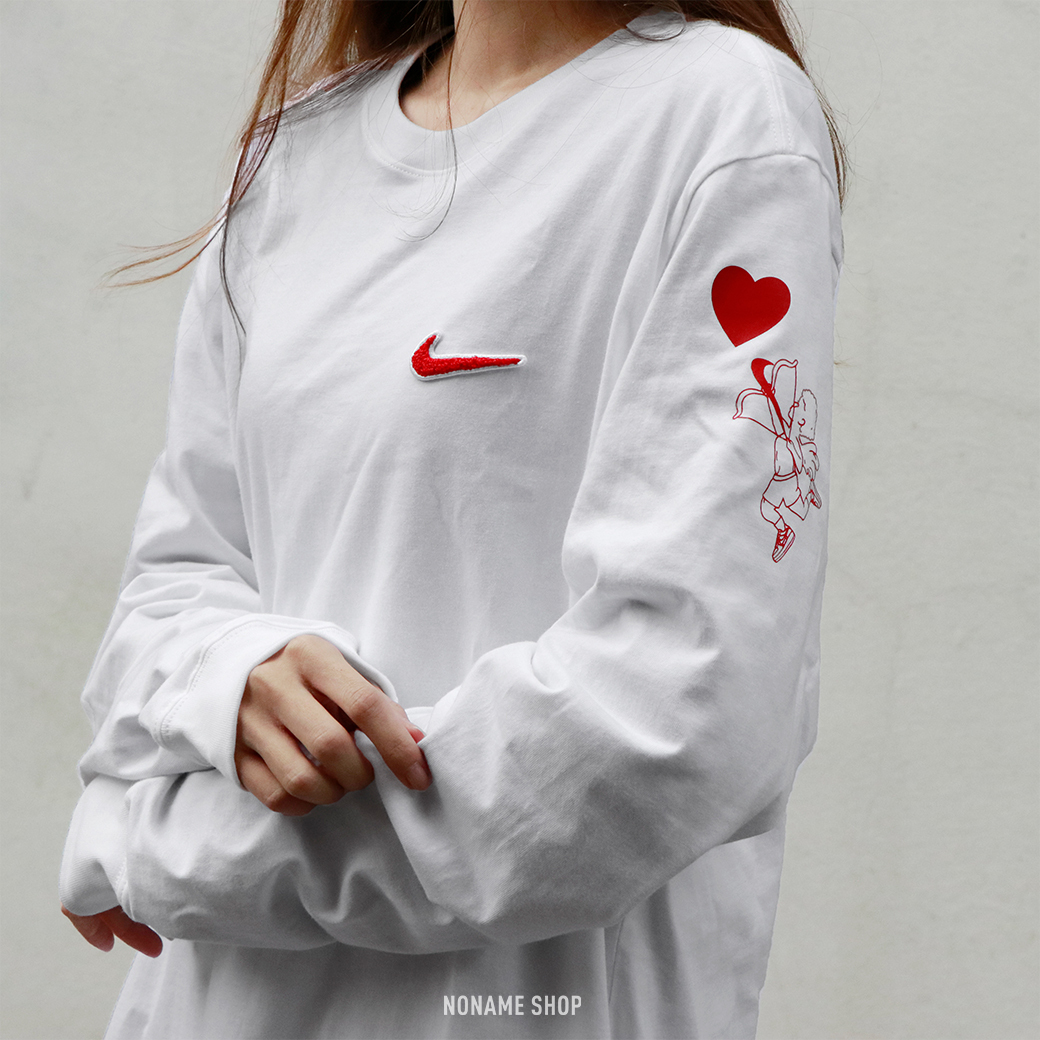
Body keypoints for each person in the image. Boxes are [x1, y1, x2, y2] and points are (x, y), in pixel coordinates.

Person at [58, 0, 846, 1036]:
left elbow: (667, 725)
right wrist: (234, 672)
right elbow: (164, 596)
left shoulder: (721, 115)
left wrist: (154, 845)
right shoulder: (293, 153)